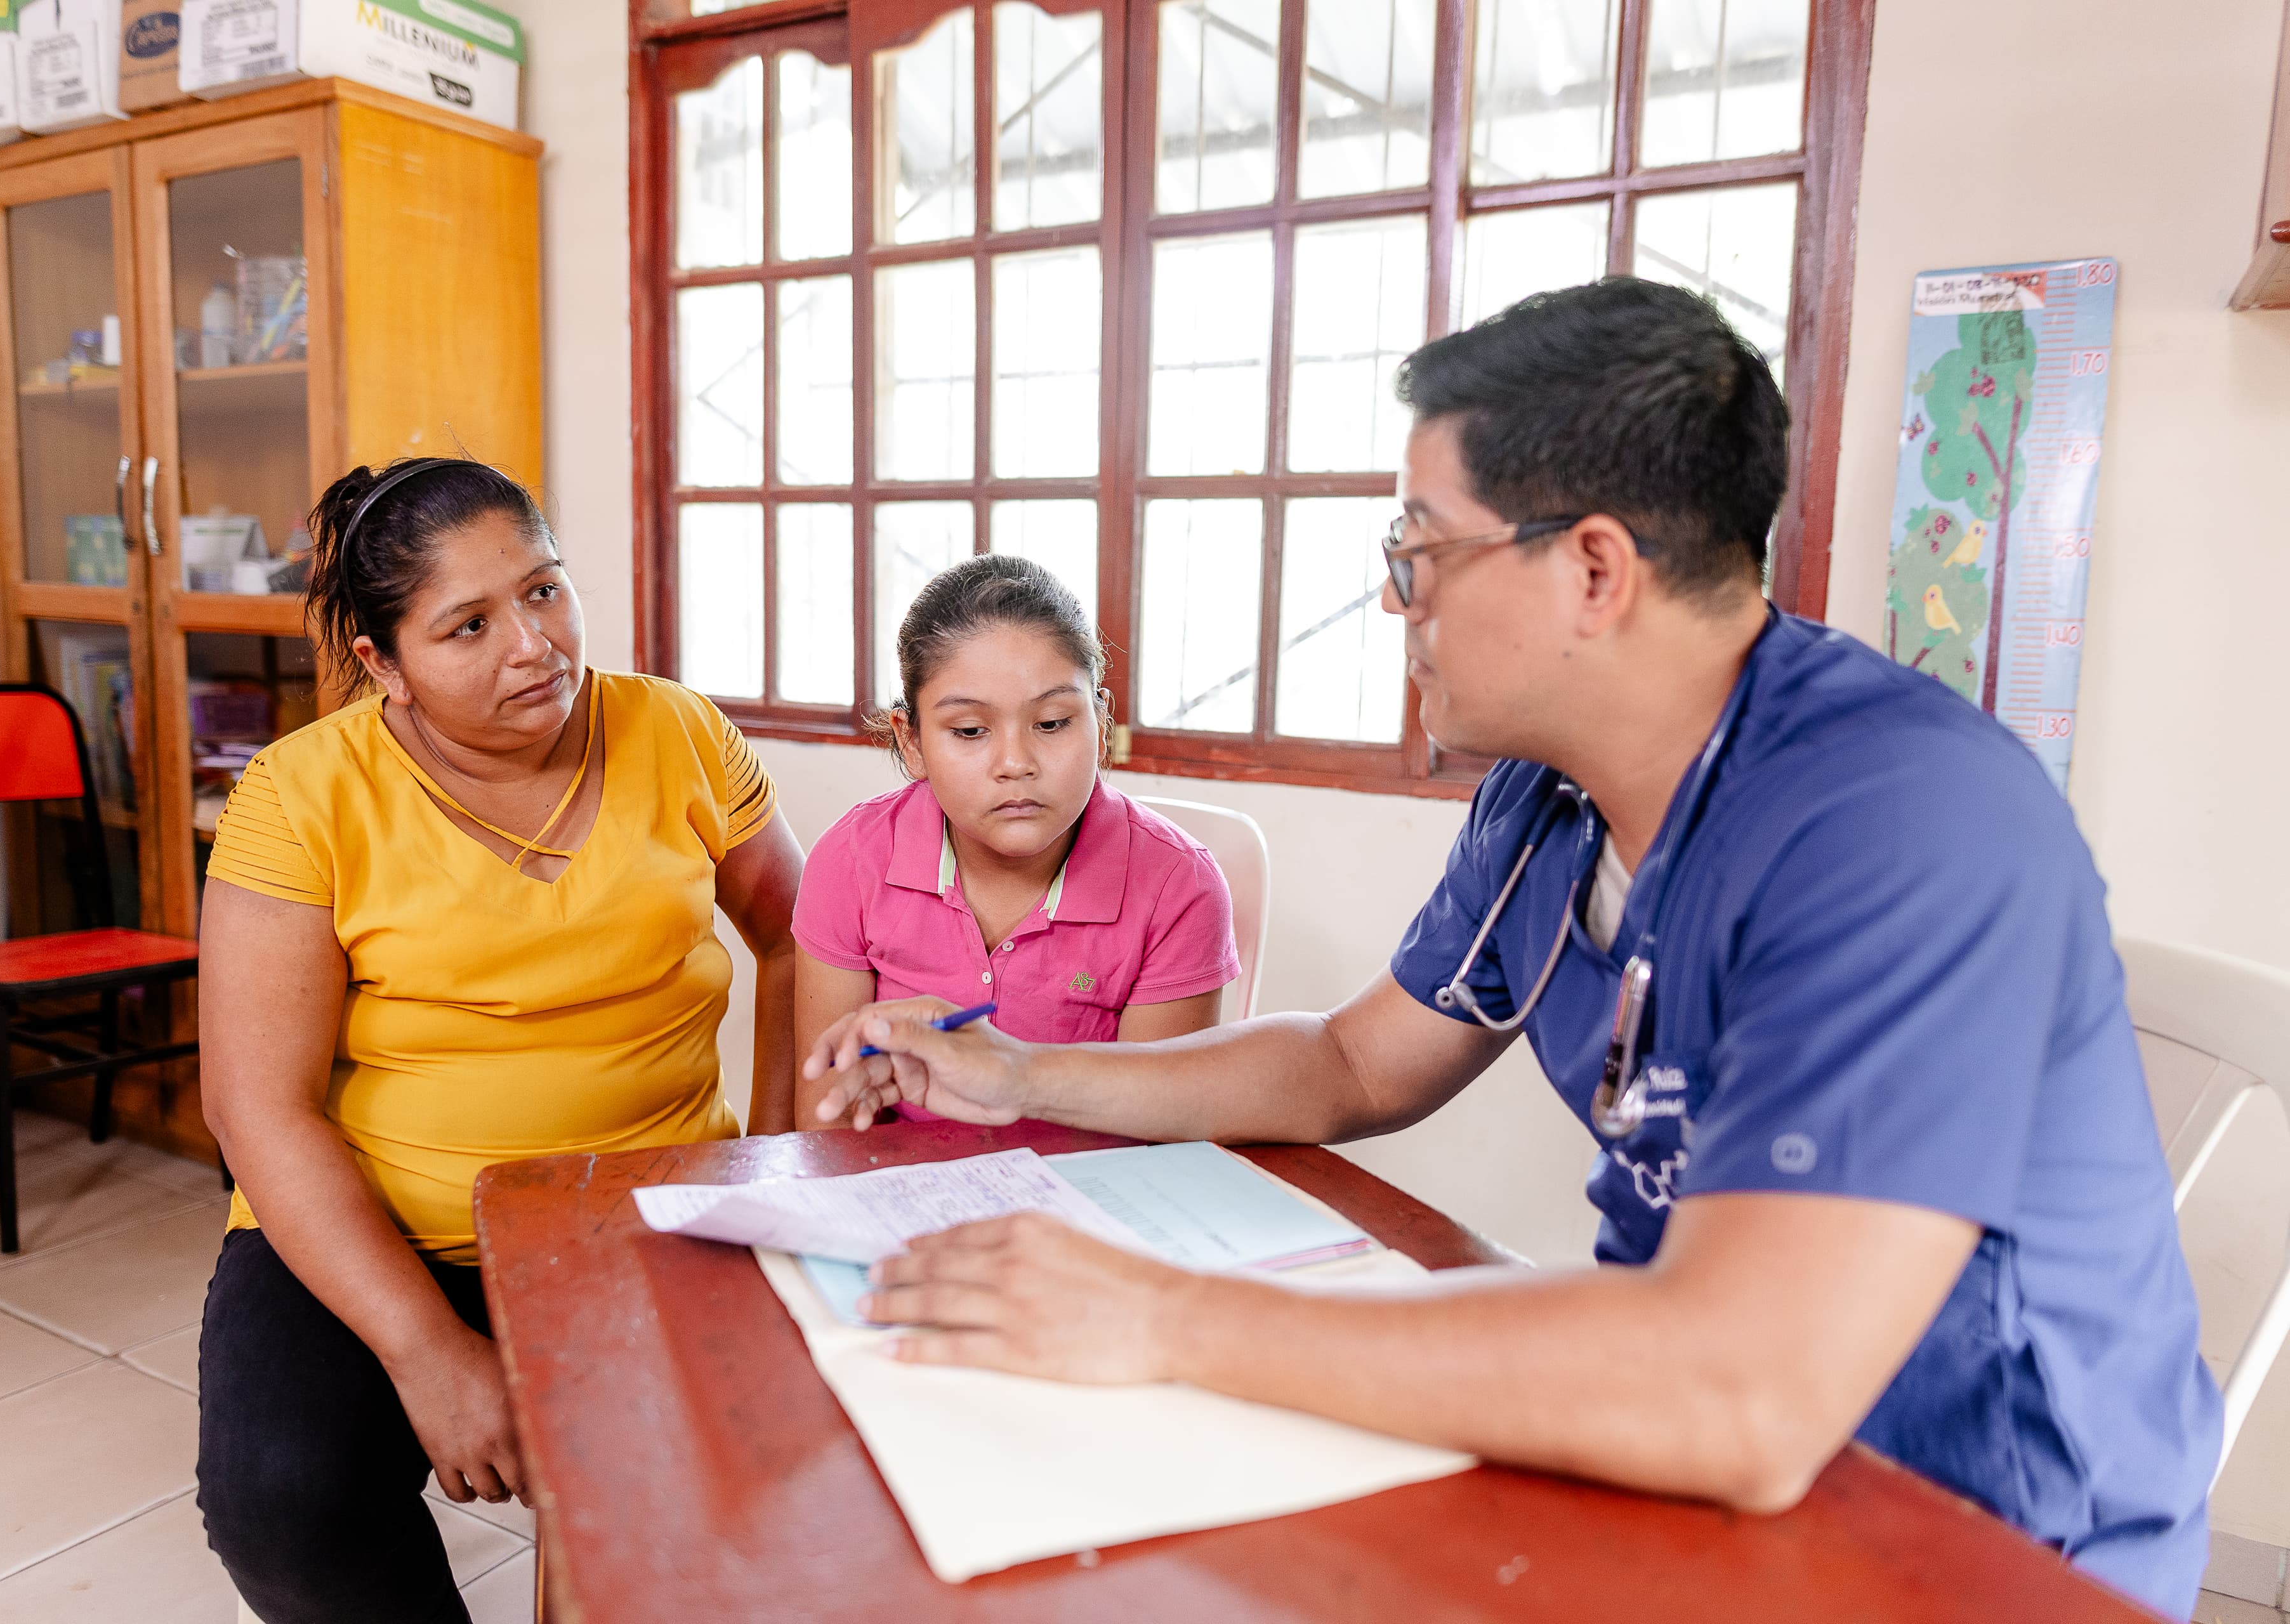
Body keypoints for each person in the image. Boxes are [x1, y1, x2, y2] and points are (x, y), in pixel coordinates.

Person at [800, 280, 2223, 1617]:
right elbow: (1350, 1065)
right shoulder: (1544, 801)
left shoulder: (1901, 821)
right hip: (1685, 1450)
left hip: (1974, 1538)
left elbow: (1743, 1391)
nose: (1394, 601)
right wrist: (1019, 1072)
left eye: (1419, 551)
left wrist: (1168, 1314)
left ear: (1592, 568)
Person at [195, 457, 806, 1624]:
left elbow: (801, 936)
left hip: (647, 1209)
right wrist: (430, 1352)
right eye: (469, 625)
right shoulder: (300, 796)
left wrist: (775, 1170)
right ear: (384, 664)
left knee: (708, 1486)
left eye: (543, 590)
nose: (534, 644)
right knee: (285, 1504)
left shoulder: (675, 731)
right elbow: (256, 1111)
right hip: (386, 1225)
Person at [793, 553, 1239, 1130]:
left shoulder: (1179, 888)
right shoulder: (850, 862)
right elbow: (828, 1122)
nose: (1016, 763)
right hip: (895, 1206)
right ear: (912, 741)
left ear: (1100, 721)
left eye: (1052, 723)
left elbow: (1163, 1137)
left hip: (1084, 1212)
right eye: (971, 731)